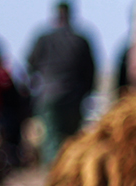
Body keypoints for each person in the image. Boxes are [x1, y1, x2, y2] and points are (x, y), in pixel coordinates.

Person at [27, 1, 97, 165]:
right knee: (72, 141)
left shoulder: (44, 39)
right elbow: (91, 71)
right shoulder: (80, 40)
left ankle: (56, 177)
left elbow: (30, 64)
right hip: (73, 97)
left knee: (52, 142)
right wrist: (85, 94)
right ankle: (68, 175)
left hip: (50, 97)